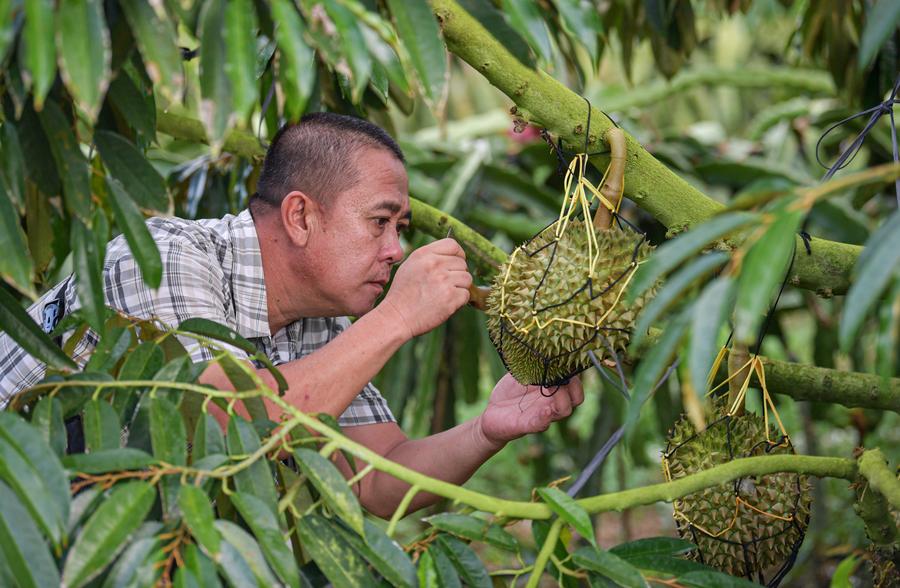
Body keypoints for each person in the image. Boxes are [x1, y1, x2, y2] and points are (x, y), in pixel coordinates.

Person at [0, 113, 583, 517]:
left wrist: (488, 428)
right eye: (380, 222)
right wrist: (398, 318)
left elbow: (379, 478)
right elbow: (220, 425)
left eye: (400, 230)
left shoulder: (318, 320)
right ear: (301, 217)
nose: (395, 250)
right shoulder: (165, 256)